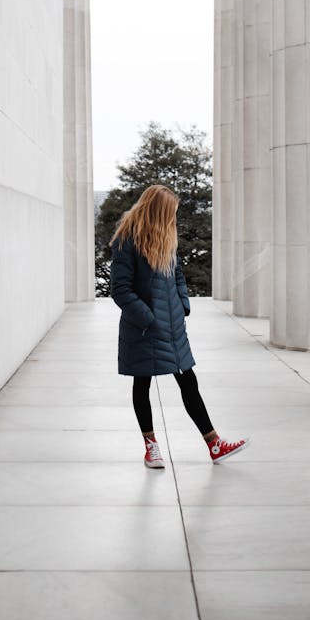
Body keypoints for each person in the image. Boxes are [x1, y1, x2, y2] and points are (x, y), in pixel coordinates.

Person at [110, 183, 250, 469]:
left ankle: (214, 443)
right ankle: (151, 447)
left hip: (173, 327)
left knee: (189, 382)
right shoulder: (127, 240)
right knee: (142, 383)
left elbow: (178, 276)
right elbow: (120, 289)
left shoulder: (166, 237)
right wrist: (148, 318)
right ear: (158, 211)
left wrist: (183, 304)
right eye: (170, 212)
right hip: (144, 329)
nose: (174, 217)